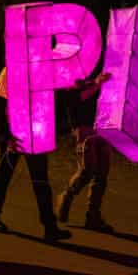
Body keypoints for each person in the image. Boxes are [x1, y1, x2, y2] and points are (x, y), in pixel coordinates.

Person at [0, 68, 72, 242]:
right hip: (15, 134)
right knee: (3, 176)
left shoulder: (40, 71)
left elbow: (45, 102)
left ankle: (50, 226)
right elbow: (0, 105)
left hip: (35, 133)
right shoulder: (10, 71)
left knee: (41, 180)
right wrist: (6, 135)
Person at [56, 72, 114, 232]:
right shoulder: (67, 81)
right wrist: (97, 83)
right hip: (84, 130)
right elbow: (78, 98)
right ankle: (66, 197)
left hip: (102, 127)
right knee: (86, 171)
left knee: (102, 174)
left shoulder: (89, 77)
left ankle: (93, 216)